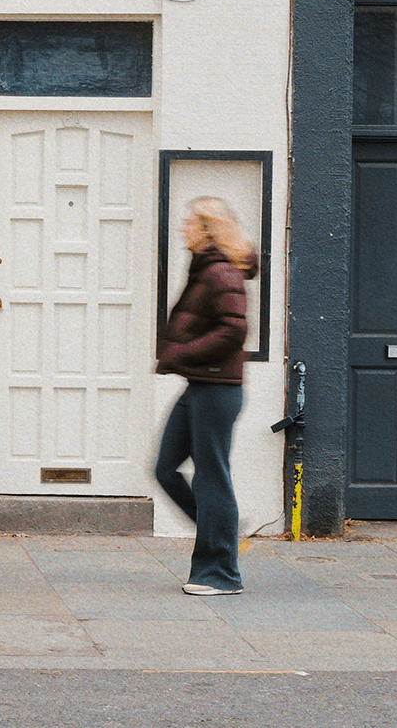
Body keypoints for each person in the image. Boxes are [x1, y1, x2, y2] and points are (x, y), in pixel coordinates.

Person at [153, 195, 254, 596]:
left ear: (207, 229)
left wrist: (181, 352)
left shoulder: (221, 273)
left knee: (213, 478)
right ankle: (221, 532)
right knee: (164, 468)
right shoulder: (205, 269)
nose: (182, 227)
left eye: (189, 222)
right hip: (200, 385)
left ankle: (221, 574)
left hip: (217, 389)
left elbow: (234, 331)